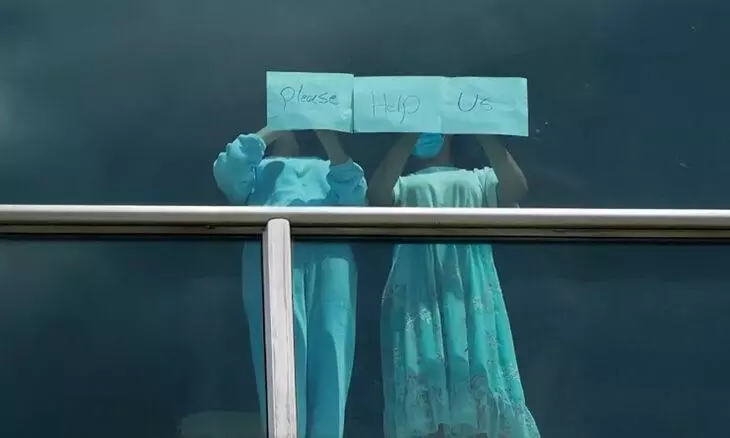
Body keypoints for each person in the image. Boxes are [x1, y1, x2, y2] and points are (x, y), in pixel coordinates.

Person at [369, 133, 540, 438]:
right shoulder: (403, 185)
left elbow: (516, 187)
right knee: (425, 381)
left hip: (467, 289)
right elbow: (378, 195)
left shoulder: (479, 179)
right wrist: (408, 136)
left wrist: (484, 133)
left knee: (476, 377)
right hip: (418, 293)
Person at [213, 128, 366, 438]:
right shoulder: (259, 171)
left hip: (331, 262)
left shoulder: (329, 168)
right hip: (273, 257)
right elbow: (227, 172)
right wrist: (273, 129)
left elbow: (356, 197)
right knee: (279, 356)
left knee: (331, 358)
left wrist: (325, 133)